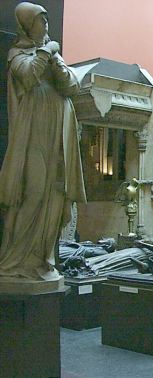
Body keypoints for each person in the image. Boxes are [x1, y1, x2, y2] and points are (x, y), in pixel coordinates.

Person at [0, 2, 86, 281]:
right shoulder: (17, 53)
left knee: (55, 194)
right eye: (40, 21)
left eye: (47, 21)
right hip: (34, 133)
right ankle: (16, 259)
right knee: (34, 192)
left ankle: (42, 258)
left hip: (58, 136)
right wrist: (47, 51)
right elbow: (28, 75)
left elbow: (72, 86)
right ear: (26, 24)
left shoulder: (52, 55)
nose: (46, 26)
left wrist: (57, 60)